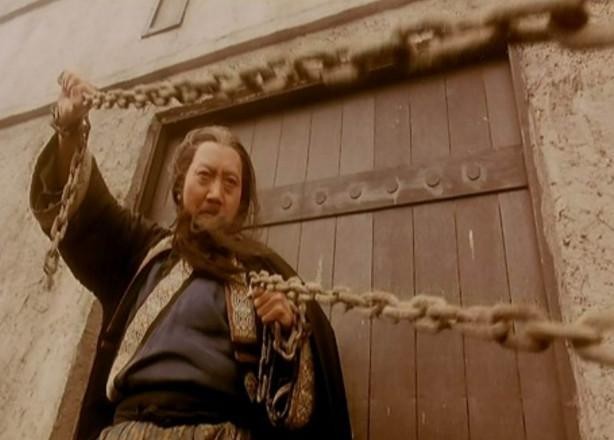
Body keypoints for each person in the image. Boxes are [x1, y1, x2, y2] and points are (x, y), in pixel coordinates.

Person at [30, 72, 352, 439]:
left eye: (230, 183)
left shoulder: (266, 274)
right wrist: (69, 129)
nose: (216, 193)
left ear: (241, 201)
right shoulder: (144, 252)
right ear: (181, 186)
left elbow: (302, 402)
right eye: (205, 176)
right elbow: (88, 213)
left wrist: (288, 330)